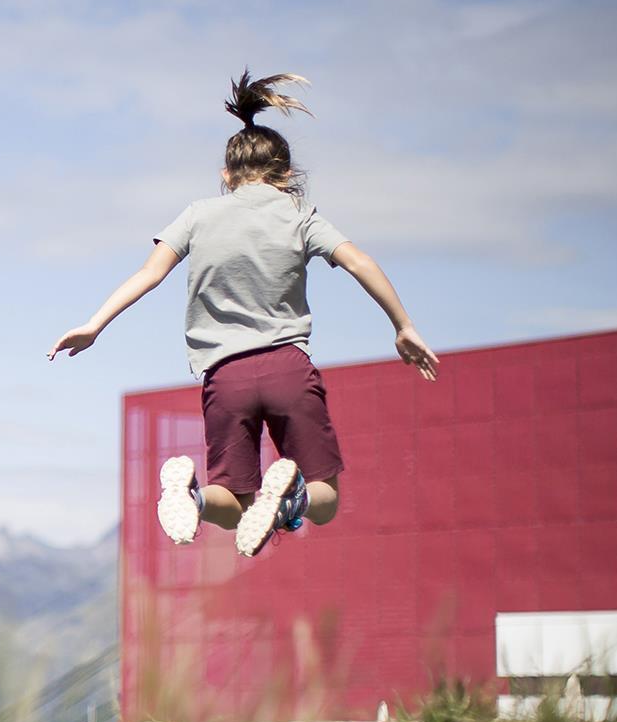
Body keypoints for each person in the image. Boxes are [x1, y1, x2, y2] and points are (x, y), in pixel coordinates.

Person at [47, 71, 439, 557]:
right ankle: (292, 498)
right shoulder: (301, 216)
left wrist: (94, 325)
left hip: (224, 376)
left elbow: (149, 274)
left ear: (226, 176)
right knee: (327, 498)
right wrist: (402, 325)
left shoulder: (197, 215)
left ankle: (189, 495)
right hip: (287, 369)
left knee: (234, 501)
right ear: (286, 174)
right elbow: (360, 261)